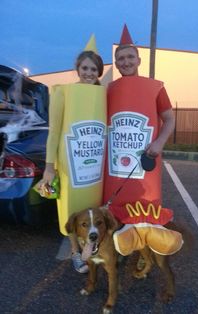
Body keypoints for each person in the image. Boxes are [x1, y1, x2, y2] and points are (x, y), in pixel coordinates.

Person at [103, 25, 182, 263]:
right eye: (120, 59)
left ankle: (143, 247)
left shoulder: (155, 87)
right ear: (115, 64)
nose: (125, 62)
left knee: (145, 204)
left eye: (129, 57)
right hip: (115, 164)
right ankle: (119, 244)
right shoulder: (109, 89)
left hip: (146, 158)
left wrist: (159, 142)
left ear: (138, 59)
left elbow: (169, 118)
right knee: (115, 203)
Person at [39, 35, 106, 273]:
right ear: (77, 68)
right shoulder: (63, 93)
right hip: (69, 167)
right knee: (72, 212)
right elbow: (54, 133)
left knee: (92, 211)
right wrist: (49, 166)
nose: (89, 72)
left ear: (99, 71)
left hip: (93, 169)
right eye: (85, 68)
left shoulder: (103, 95)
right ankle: (77, 254)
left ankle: (93, 249)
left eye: (94, 69)